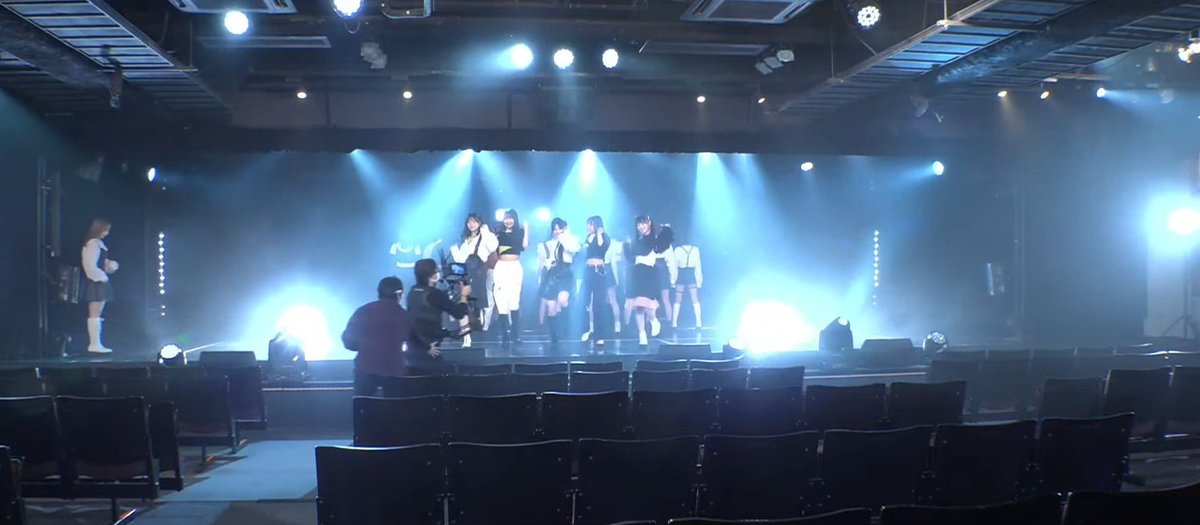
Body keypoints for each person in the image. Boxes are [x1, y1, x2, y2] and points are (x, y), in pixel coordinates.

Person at [341, 277, 413, 396]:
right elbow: (414, 341)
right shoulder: (404, 315)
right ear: (399, 294)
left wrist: (365, 347)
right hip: (394, 371)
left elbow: (348, 341)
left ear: (379, 292)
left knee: (363, 404)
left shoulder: (363, 311)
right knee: (395, 406)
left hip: (365, 369)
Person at [451, 213, 498, 345]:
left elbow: (493, 247)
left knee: (477, 307)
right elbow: (460, 259)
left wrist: (485, 231)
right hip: (464, 274)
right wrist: (454, 250)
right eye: (469, 222)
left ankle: (478, 331)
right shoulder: (465, 239)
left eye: (474, 222)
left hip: (478, 275)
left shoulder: (485, 237)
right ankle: (466, 337)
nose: (471, 224)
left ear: (480, 223)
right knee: (463, 305)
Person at [537, 218, 580, 350]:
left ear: (564, 229)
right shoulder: (546, 244)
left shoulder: (571, 240)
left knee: (562, 300)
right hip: (551, 275)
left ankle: (566, 329)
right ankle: (554, 337)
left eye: (559, 228)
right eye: (554, 229)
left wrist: (564, 237)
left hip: (565, 273)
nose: (556, 231)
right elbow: (541, 262)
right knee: (551, 307)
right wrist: (540, 276)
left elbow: (573, 250)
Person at [625, 215, 667, 346]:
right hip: (637, 273)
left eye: (643, 223)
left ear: (649, 223)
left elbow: (663, 248)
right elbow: (630, 257)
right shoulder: (636, 241)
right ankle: (642, 334)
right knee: (638, 306)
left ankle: (654, 320)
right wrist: (626, 246)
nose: (640, 227)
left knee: (645, 303)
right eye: (638, 224)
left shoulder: (655, 240)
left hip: (649, 273)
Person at [81, 218, 118, 354]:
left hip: (99, 280)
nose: (106, 233)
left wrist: (110, 266)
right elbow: (89, 265)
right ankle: (94, 344)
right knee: (95, 314)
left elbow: (101, 262)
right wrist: (101, 277)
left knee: (97, 313)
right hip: (96, 282)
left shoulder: (98, 243)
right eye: (105, 230)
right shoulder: (92, 243)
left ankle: (96, 343)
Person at [493, 210, 529, 348]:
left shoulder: (520, 232)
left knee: (514, 300)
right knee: (501, 299)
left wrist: (527, 228)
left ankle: (515, 335)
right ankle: (505, 336)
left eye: (510, 218)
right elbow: (493, 248)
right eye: (506, 218)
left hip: (515, 267)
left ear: (515, 219)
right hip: (501, 266)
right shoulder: (499, 233)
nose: (508, 221)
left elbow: (525, 245)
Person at [580, 216, 617, 345]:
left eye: (591, 225)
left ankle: (599, 335)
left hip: (599, 271)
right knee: (583, 301)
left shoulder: (605, 237)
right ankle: (586, 330)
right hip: (588, 270)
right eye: (587, 224)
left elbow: (602, 247)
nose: (588, 227)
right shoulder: (587, 238)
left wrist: (599, 234)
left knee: (598, 304)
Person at [672, 239, 704, 329]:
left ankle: (674, 323)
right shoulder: (695, 249)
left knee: (677, 300)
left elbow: (674, 267)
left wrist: (673, 281)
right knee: (695, 299)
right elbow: (698, 266)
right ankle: (699, 323)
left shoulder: (677, 250)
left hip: (681, 274)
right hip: (690, 274)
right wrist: (699, 281)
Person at [654, 224, 678, 332]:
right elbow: (672, 265)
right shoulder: (668, 247)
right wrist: (673, 280)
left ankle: (651, 322)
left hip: (653, 273)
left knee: (652, 300)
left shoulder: (652, 243)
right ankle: (670, 323)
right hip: (663, 274)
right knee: (666, 300)